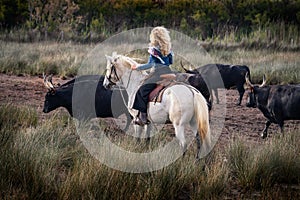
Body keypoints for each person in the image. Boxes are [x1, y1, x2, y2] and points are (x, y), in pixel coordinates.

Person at [131, 26, 174, 126]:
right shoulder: (169, 50)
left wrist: (137, 67)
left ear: (154, 37)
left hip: (157, 74)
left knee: (142, 90)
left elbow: (150, 65)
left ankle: (143, 117)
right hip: (168, 71)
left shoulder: (154, 50)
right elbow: (171, 62)